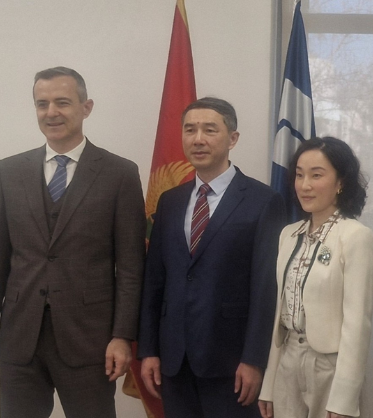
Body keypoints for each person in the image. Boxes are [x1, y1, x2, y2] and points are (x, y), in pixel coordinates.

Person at [0, 66, 146, 418]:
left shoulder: (120, 173)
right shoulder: (9, 171)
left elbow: (130, 266)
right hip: (21, 336)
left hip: (90, 339)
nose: (51, 112)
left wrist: (122, 335)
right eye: (42, 104)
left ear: (86, 107)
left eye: (62, 102)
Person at [138, 97, 286, 417]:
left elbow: (266, 289)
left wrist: (255, 359)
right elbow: (154, 281)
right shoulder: (170, 201)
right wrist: (148, 350)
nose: (198, 139)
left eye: (209, 130)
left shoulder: (263, 201)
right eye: (190, 130)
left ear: (232, 138)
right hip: (174, 360)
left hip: (231, 363)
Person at [257, 137, 373, 418]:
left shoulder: (356, 237)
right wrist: (269, 385)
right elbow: (280, 315)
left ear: (341, 182)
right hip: (288, 360)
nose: (305, 185)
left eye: (316, 175)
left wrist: (344, 399)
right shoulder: (288, 235)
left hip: (329, 367)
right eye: (299, 175)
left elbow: (357, 325)